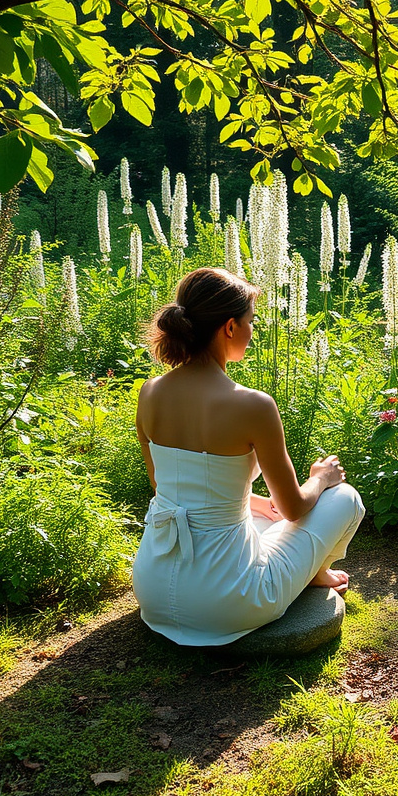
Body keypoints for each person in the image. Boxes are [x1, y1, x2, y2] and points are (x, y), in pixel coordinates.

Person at [131, 267, 365, 646]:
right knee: (344, 497)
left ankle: (306, 571)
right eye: (250, 321)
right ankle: (314, 572)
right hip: (229, 602)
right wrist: (322, 477)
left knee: (258, 512)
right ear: (229, 327)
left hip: (154, 590)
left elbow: (163, 484)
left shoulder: (150, 393)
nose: (252, 332)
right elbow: (293, 508)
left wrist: (255, 502)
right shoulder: (252, 405)